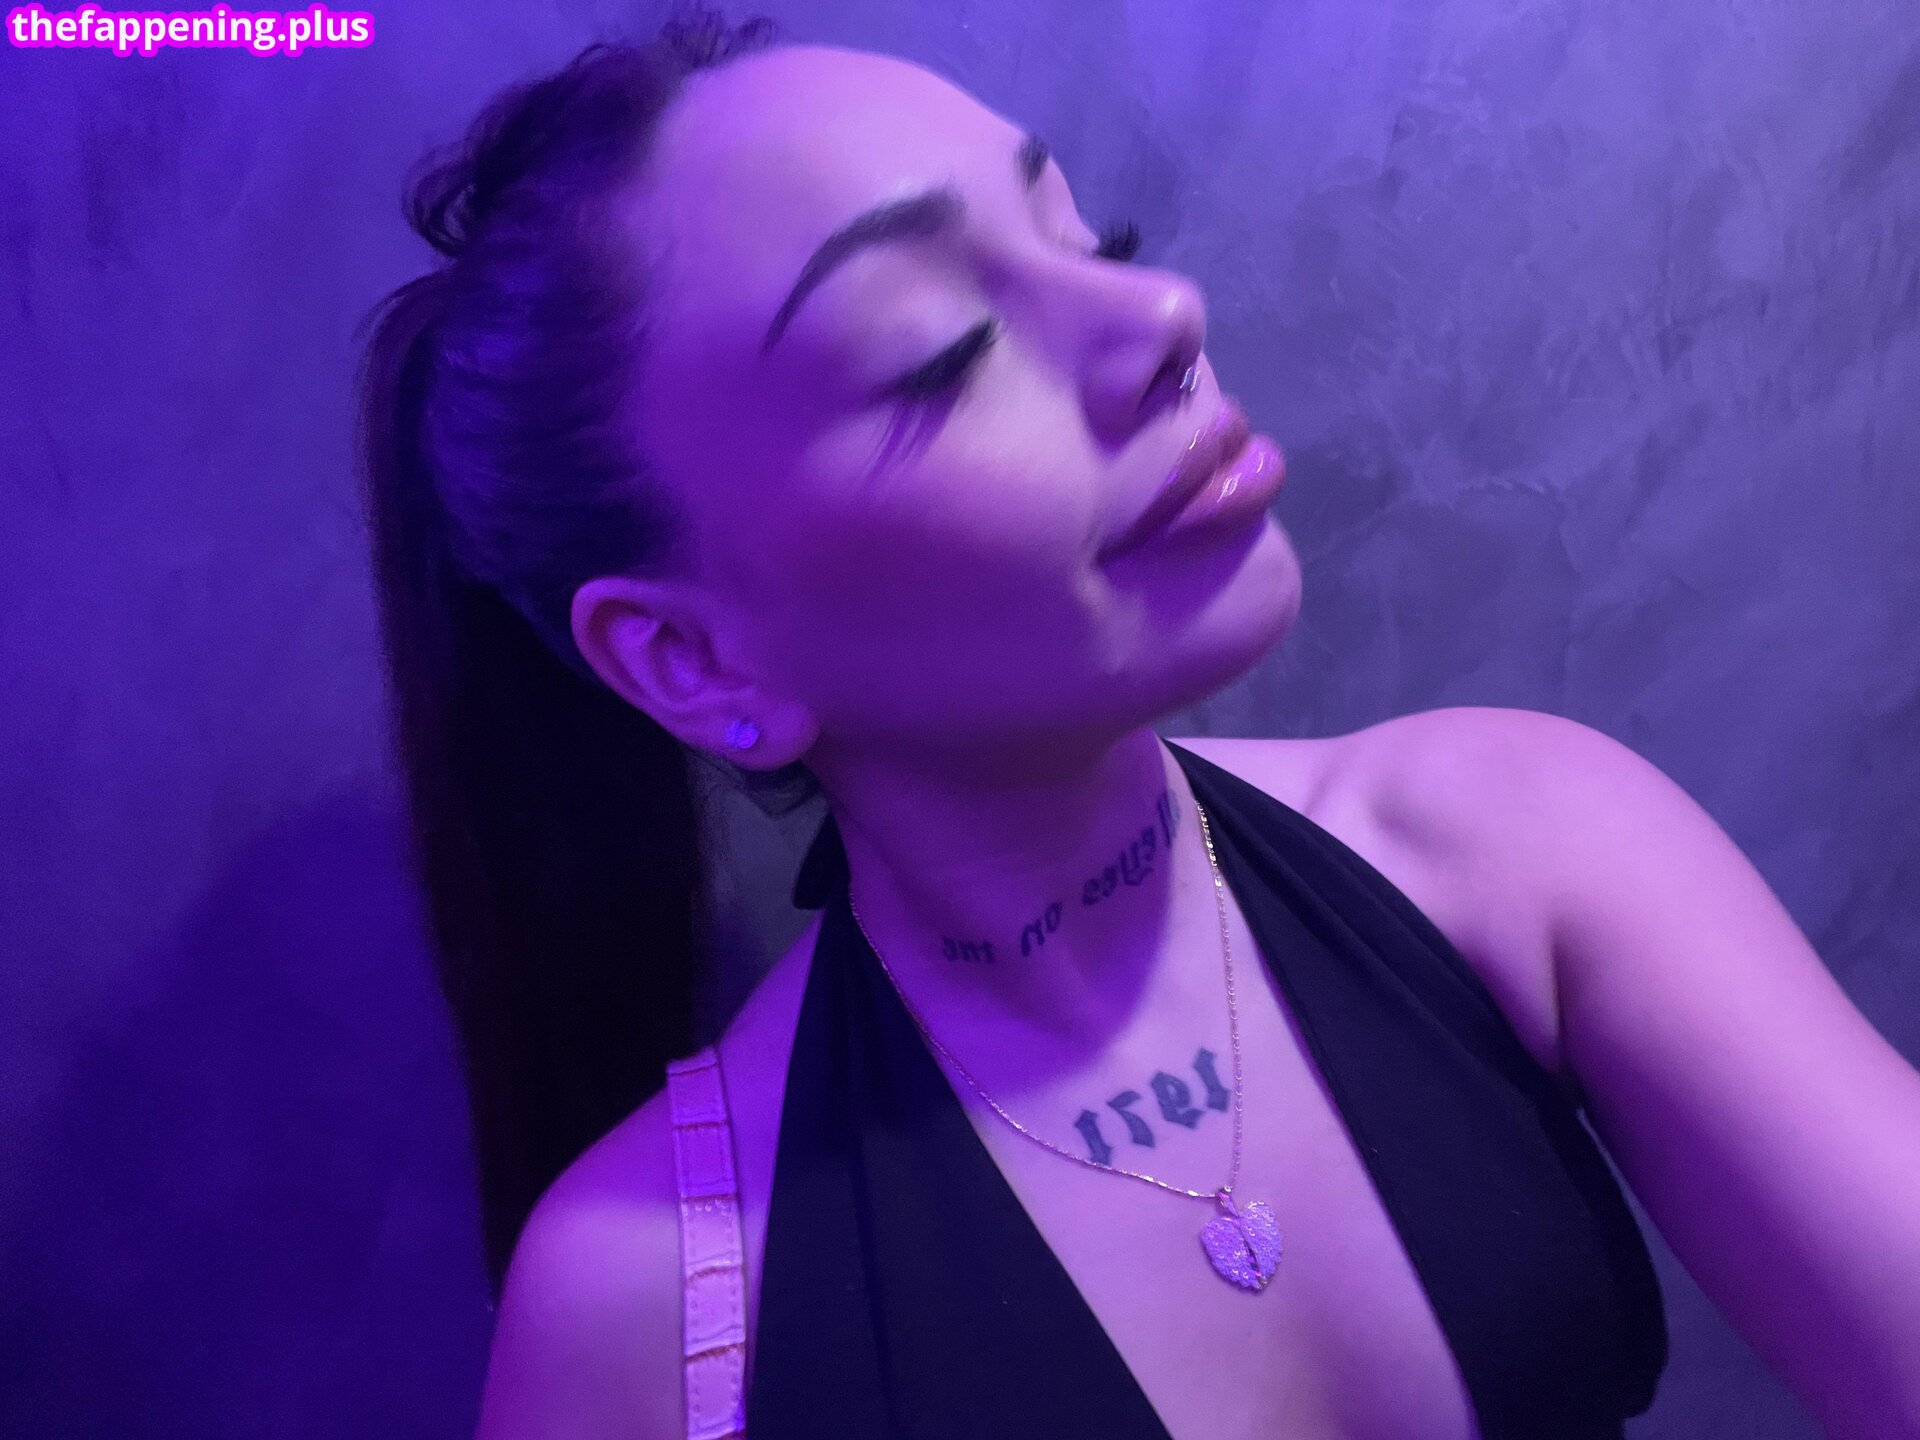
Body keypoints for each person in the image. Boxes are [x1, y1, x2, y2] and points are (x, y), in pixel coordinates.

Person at [354, 9, 1920, 1438]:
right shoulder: (652, 1305)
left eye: (1089, 238)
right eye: (935, 352)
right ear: (694, 660)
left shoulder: (1516, 846)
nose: (1164, 312)